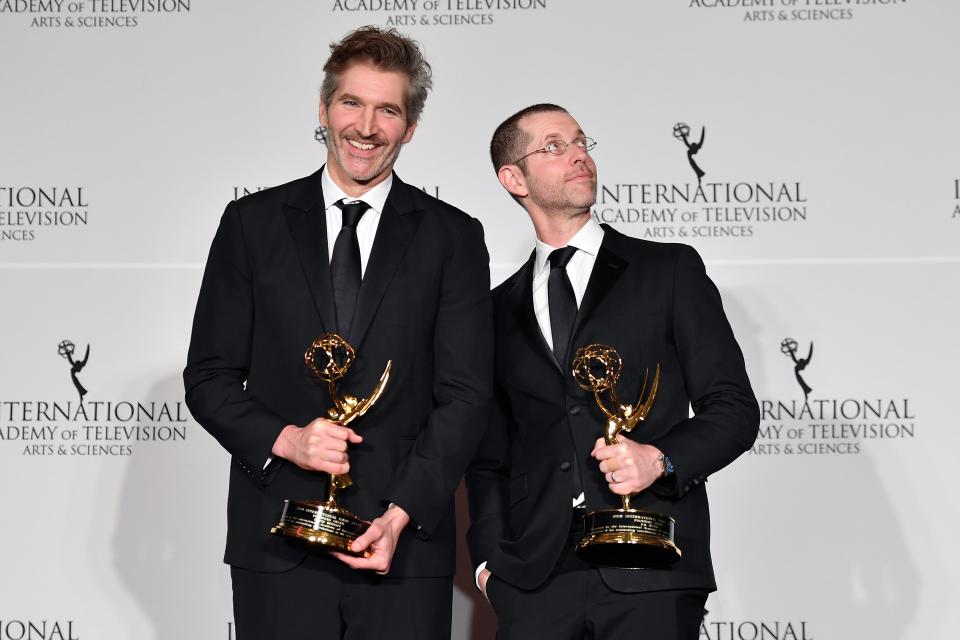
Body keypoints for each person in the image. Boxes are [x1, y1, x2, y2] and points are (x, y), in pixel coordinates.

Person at [184, 26, 492, 640]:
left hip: (401, 545)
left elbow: (465, 395)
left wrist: (402, 513)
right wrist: (287, 441)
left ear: (410, 126)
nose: (367, 126)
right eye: (352, 103)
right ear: (323, 109)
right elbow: (209, 378)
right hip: (276, 541)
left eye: (388, 109)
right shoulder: (252, 224)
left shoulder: (452, 236)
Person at [466, 104, 759, 640]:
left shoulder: (668, 270)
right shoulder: (493, 310)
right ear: (513, 178)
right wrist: (489, 566)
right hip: (535, 582)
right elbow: (489, 459)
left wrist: (661, 458)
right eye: (553, 146)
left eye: (581, 141)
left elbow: (734, 410)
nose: (578, 154)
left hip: (650, 566)